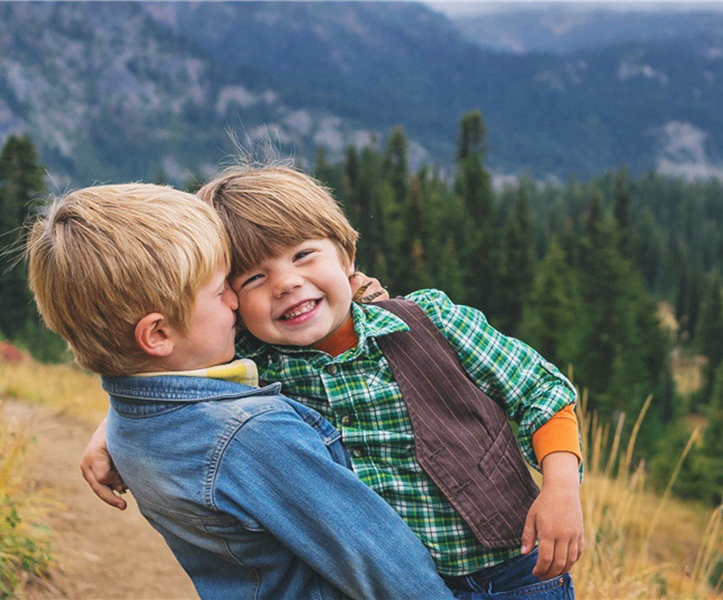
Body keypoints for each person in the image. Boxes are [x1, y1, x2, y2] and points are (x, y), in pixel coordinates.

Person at [83, 166, 585, 598]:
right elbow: (184, 384)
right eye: (253, 279)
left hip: (514, 572)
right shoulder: (258, 358)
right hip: (392, 584)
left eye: (303, 255)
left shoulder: (432, 320)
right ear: (232, 302)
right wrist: (111, 425)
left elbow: (542, 391)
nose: (285, 283)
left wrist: (561, 487)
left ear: (347, 256)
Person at [26, 183, 454, 600]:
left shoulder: (133, 423)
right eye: (220, 290)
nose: (236, 301)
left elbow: (159, 389)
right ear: (157, 333)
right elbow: (381, 562)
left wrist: (109, 424)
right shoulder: (255, 437)